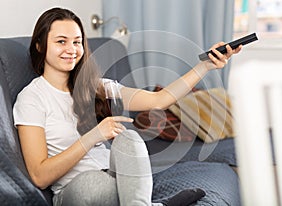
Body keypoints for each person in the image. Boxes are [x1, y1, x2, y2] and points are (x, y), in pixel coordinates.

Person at [13, 7, 242, 206]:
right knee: (94, 185)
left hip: (120, 182)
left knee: (129, 139)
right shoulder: (31, 98)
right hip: (76, 191)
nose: (71, 49)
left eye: (77, 41)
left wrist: (204, 67)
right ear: (40, 46)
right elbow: (39, 175)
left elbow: (159, 100)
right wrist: (93, 136)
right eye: (61, 41)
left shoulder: (95, 87)